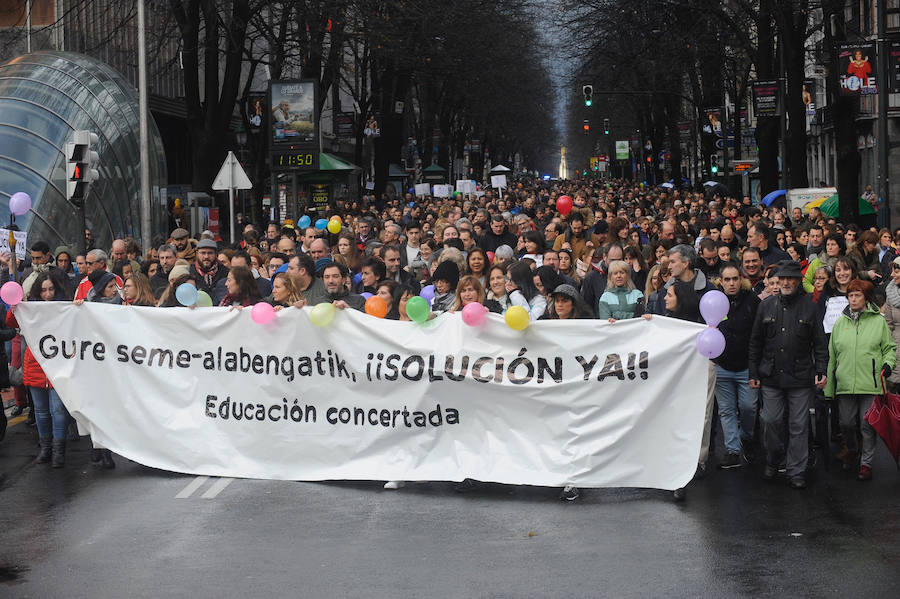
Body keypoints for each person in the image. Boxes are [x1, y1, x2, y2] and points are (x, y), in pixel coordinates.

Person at [749, 261, 828, 490]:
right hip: (771, 375)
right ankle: (773, 459)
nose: (785, 282)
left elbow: (820, 344)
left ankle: (796, 470)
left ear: (798, 281)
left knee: (799, 425)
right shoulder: (765, 306)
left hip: (801, 376)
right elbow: (755, 342)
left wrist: (821, 369)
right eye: (782, 278)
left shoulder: (810, 307)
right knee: (770, 420)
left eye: (790, 278)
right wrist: (753, 371)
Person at [825, 279, 896, 480]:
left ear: (866, 298)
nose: (853, 299)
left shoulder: (878, 321)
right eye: (850, 295)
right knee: (846, 423)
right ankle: (853, 451)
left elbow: (889, 348)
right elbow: (832, 356)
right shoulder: (840, 322)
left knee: (867, 425)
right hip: (845, 383)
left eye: (857, 295)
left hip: (871, 383)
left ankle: (866, 464)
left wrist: (887, 365)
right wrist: (829, 389)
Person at [7, 271, 71, 466]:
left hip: (58, 367)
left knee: (58, 410)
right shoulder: (30, 308)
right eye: (43, 290)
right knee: (42, 412)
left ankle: (59, 451)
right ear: (37, 291)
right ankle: (46, 449)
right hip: (36, 366)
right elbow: (11, 321)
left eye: (51, 289)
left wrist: (77, 307)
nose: (47, 294)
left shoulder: (65, 308)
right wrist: (15, 308)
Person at [714, 264, 761, 469]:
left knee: (749, 407)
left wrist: (756, 366)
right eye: (727, 279)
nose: (731, 283)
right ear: (721, 282)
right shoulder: (714, 301)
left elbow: (758, 335)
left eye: (735, 279)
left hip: (746, 367)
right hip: (722, 365)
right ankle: (732, 450)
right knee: (726, 410)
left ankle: (747, 437)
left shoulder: (752, 301)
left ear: (740, 280)